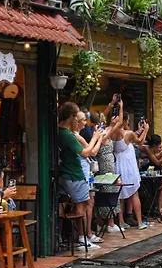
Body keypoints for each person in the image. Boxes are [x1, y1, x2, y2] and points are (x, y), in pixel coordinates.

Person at [58, 101, 103, 250]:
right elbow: (86, 152)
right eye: (77, 117)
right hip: (74, 174)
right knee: (81, 207)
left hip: (66, 173)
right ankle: (83, 239)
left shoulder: (60, 132)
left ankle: (64, 237)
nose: (78, 120)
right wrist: (96, 137)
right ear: (72, 117)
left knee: (70, 205)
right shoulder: (68, 135)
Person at [110, 100, 150, 230]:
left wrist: (138, 130)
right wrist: (145, 131)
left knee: (120, 194)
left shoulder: (112, 132)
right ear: (125, 120)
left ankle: (121, 221)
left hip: (118, 164)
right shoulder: (128, 134)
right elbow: (139, 141)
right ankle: (140, 222)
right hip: (128, 166)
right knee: (134, 193)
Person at [74, 111, 103, 244]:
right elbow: (92, 152)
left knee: (89, 202)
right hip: (82, 172)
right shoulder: (76, 136)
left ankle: (87, 234)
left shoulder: (77, 135)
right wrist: (98, 138)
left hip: (85, 171)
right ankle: (85, 235)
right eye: (84, 120)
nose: (86, 123)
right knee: (85, 204)